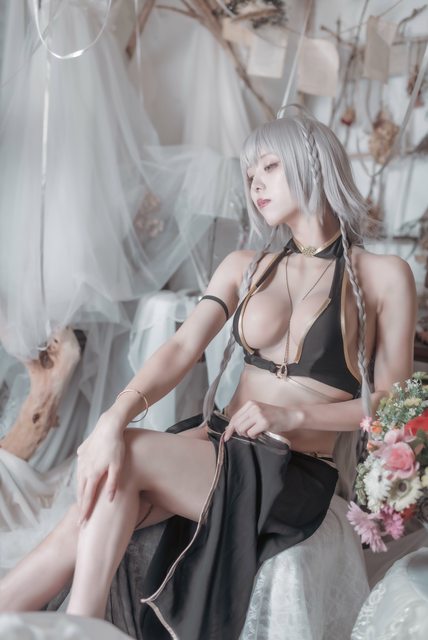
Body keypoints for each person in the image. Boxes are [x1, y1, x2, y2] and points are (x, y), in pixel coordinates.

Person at [0, 108, 416, 639]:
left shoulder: (383, 275)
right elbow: (180, 347)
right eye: (250, 174)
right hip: (217, 444)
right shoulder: (246, 265)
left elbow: (391, 402)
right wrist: (111, 417)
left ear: (313, 164)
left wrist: (291, 415)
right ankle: (56, 620)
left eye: (269, 167)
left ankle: (81, 627)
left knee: (126, 453)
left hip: (291, 469)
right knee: (89, 505)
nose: (256, 184)